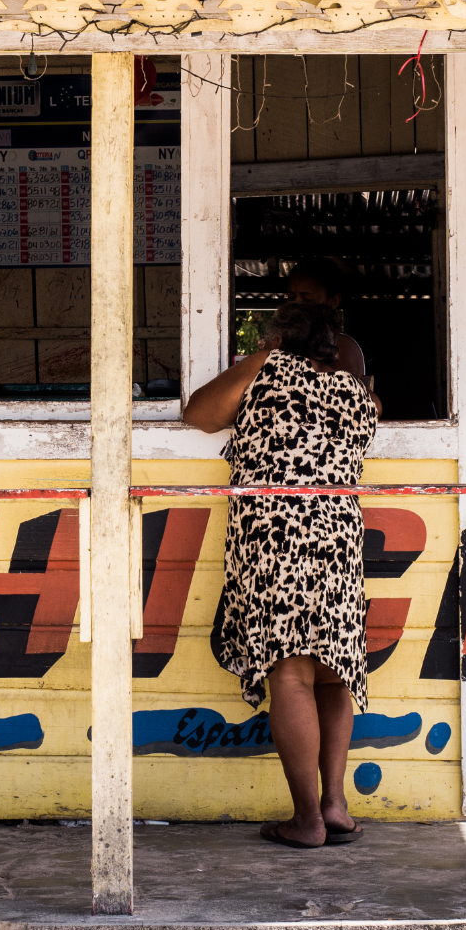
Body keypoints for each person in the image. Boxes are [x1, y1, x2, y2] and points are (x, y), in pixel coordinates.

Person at [182, 299, 379, 849]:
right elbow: (372, 412)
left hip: (276, 534)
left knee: (290, 674)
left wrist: (260, 357)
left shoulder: (267, 368)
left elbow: (200, 414)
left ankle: (307, 819)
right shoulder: (355, 391)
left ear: (278, 336)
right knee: (335, 673)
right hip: (339, 536)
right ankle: (335, 804)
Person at [284, 256, 377, 415]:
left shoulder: (342, 346)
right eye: (291, 297)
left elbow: (347, 406)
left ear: (333, 301)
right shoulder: (284, 343)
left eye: (307, 298)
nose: (296, 305)